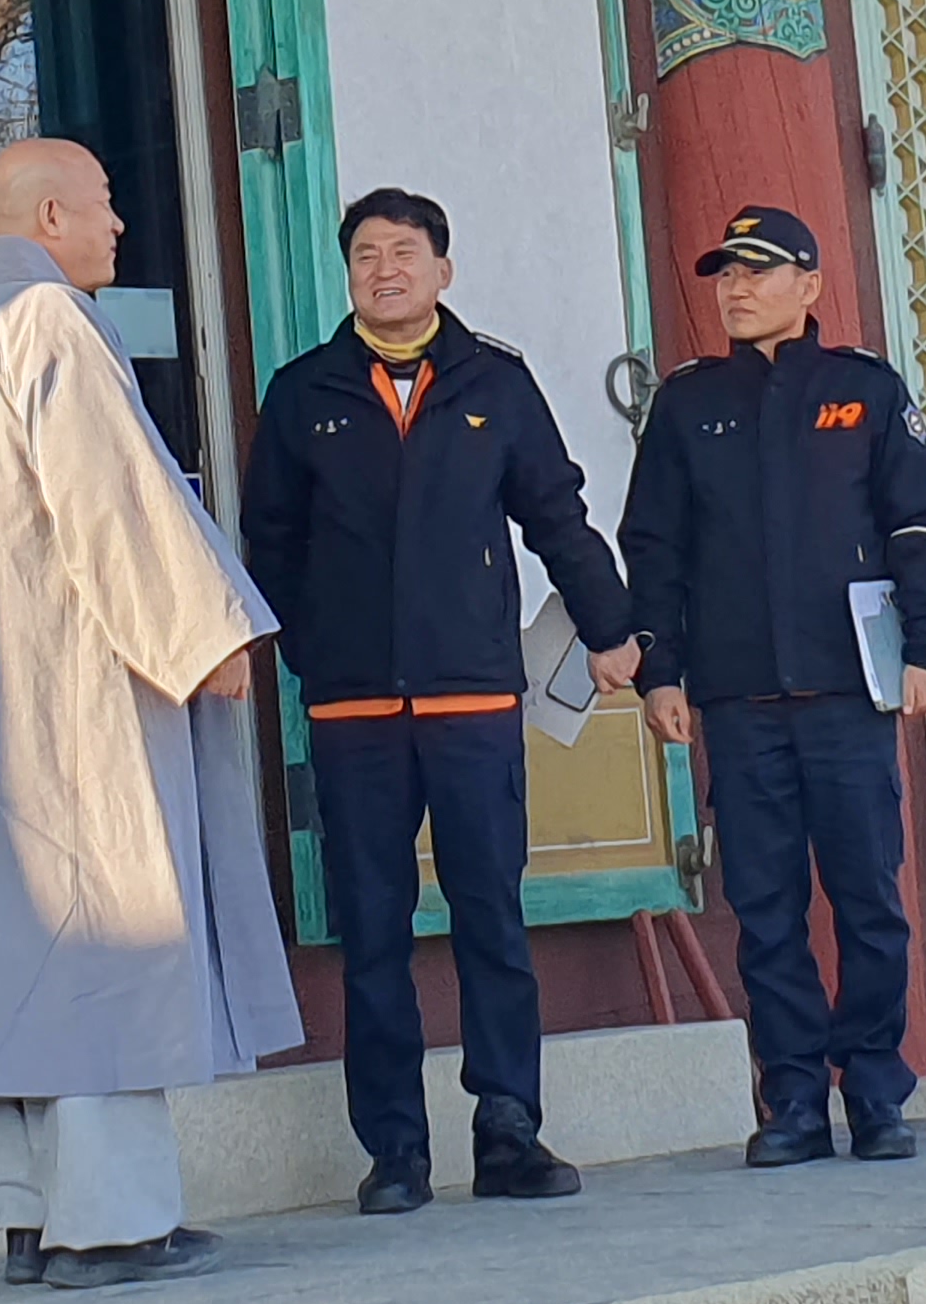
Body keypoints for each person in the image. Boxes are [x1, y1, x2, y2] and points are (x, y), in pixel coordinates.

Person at [0, 136, 302, 1287]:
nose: (121, 226)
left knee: (18, 960)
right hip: (72, 698)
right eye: (104, 204)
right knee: (98, 940)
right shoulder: (49, 322)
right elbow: (112, 505)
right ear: (51, 216)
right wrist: (202, 636)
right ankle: (111, 1221)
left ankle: (31, 1215)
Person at [239, 187, 643, 1216]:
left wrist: (612, 629)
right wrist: (313, 651)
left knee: (490, 918)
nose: (386, 270)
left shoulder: (494, 384)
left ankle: (508, 1129)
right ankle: (395, 1152)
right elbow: (268, 542)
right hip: (355, 710)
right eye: (367, 255)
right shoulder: (303, 392)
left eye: (405, 252)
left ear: (442, 270)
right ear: (349, 275)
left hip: (471, 700)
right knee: (372, 930)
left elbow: (557, 515)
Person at [621, 206, 926, 1167]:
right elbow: (655, 547)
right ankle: (794, 1101)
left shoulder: (864, 390)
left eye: (758, 271)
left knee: (868, 901)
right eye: (725, 273)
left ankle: (877, 1091)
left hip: (848, 695)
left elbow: (918, 526)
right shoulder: (689, 404)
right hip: (739, 700)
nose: (735, 288)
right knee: (765, 909)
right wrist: (659, 670)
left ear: (809, 286)